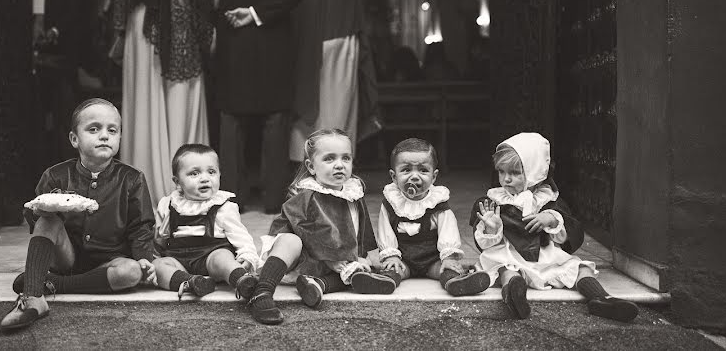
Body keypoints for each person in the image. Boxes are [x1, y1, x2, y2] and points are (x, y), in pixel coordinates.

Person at [1, 98, 156, 331]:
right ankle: (33, 298)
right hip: (67, 256)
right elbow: (34, 218)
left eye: (112, 130)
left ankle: (51, 284)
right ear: (75, 139)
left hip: (110, 260)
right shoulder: (55, 176)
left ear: (120, 138)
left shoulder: (132, 179)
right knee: (48, 219)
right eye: (94, 129)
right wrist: (40, 213)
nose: (104, 135)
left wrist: (143, 256)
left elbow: (141, 225)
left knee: (131, 272)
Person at [206, 0, 308, 213]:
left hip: (232, 34)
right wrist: (258, 13)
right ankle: (273, 199)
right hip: (273, 38)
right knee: (275, 119)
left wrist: (228, 10)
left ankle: (231, 197)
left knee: (231, 119)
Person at [111, 0, 214, 210]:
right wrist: (206, 31)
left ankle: (145, 184)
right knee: (180, 103)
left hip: (141, 31)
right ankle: (189, 179)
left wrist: (117, 35)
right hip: (179, 26)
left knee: (144, 104)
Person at [471, 132, 639, 321]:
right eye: (501, 172)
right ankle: (513, 296)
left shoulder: (549, 199)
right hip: (511, 256)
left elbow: (573, 235)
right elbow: (484, 245)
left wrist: (552, 219)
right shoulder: (495, 200)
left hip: (547, 256)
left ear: (535, 172)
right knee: (506, 270)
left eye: (515, 173)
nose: (506, 179)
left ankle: (601, 299)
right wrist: (492, 229)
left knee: (579, 267)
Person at [250, 128, 399, 325]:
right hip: (302, 257)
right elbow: (304, 230)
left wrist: (365, 256)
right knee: (290, 240)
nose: (339, 165)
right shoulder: (306, 195)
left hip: (335, 261)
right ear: (311, 167)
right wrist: (329, 259)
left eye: (345, 158)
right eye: (329, 159)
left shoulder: (353, 193)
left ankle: (317, 285)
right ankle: (262, 292)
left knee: (361, 267)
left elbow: (362, 228)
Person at [290, 0, 379, 162]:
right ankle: (338, 161)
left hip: (315, 44)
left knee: (315, 108)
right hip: (345, 44)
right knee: (339, 107)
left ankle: (312, 164)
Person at [376, 138, 491, 296]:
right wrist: (391, 255)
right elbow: (385, 230)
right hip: (403, 259)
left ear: (434, 176)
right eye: (406, 170)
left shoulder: (438, 204)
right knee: (395, 269)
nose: (415, 176)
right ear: (394, 176)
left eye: (423, 170)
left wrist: (448, 258)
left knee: (447, 269)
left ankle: (456, 283)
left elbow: (448, 231)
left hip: (433, 260)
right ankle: (385, 282)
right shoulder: (391, 203)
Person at [152, 143, 261, 300]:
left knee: (223, 257)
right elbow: (160, 237)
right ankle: (191, 282)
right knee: (158, 266)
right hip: (179, 259)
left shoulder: (224, 207)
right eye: (194, 174)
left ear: (219, 175)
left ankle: (242, 280)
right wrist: (155, 256)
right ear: (177, 182)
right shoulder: (168, 204)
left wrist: (247, 257)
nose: (204, 178)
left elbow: (241, 237)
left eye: (211, 172)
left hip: (210, 257)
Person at [31, 0, 81, 172]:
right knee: (33, 119)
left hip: (58, 57)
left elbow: (74, 12)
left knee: (63, 118)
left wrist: (55, 32)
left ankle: (63, 173)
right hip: (27, 57)